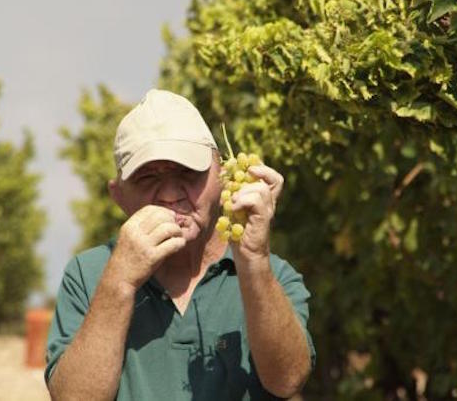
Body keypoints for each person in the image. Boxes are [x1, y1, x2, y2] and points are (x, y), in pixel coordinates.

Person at [45, 89, 315, 400]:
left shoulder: (269, 275)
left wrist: (254, 260)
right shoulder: (88, 274)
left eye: (188, 172)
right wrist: (119, 282)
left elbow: (289, 381)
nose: (171, 194)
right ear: (118, 195)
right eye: (147, 178)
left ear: (223, 176)